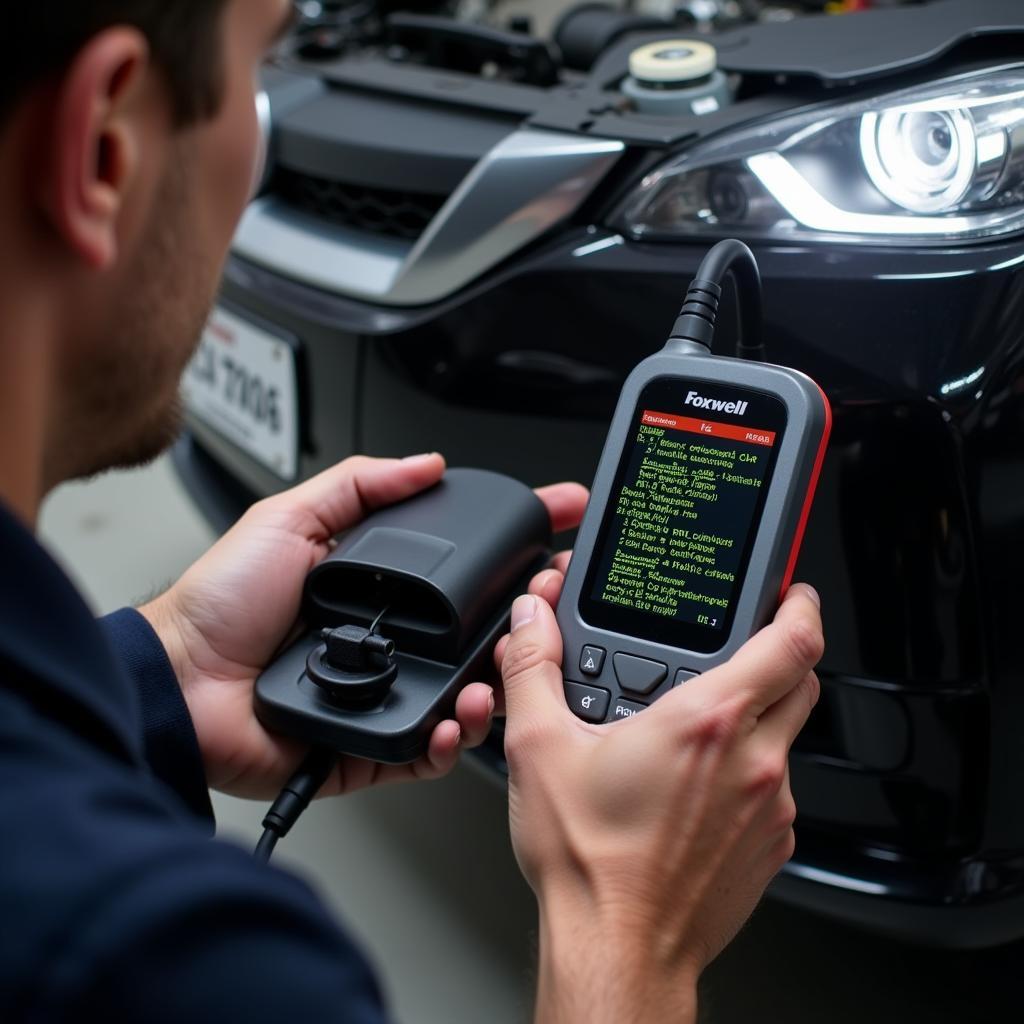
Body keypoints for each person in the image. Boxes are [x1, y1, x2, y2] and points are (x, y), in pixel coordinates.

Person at [0, 2, 824, 1021]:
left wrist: (165, 668)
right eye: (260, 81)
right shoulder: (182, 965)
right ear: (101, 150)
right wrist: (623, 918)